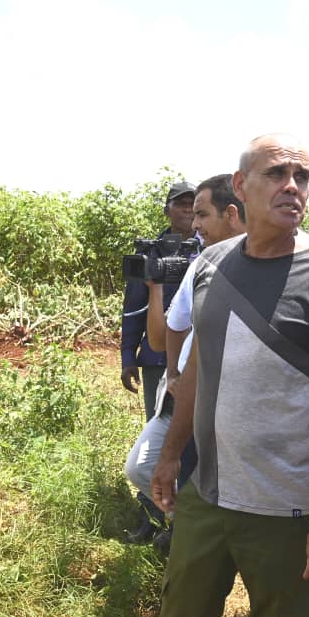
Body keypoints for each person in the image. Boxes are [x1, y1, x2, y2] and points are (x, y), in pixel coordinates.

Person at [150, 134, 309, 617]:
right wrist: (169, 456)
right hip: (206, 495)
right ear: (240, 186)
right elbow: (197, 369)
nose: (292, 187)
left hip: (286, 511)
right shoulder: (212, 264)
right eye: (276, 174)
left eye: (302, 177)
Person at [123, 174, 246, 548]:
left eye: (200, 213)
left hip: (225, 404)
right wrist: (170, 370)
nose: (193, 223)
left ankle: (194, 535)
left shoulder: (257, 266)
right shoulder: (186, 259)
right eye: (185, 209)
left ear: (230, 214)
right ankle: (181, 525)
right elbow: (151, 323)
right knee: (146, 465)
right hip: (175, 386)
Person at [120, 181, 195, 543]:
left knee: (184, 440)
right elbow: (132, 309)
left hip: (189, 360)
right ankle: (153, 516)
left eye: (193, 206)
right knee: (158, 429)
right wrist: (126, 357)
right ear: (167, 210)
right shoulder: (153, 252)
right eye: (179, 205)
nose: (186, 210)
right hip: (155, 359)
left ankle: (183, 522)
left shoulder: (206, 251)